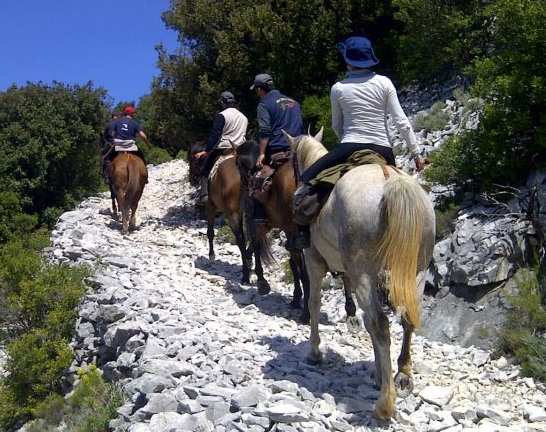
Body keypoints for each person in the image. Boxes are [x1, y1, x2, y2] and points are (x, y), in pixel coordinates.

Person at [293, 36, 425, 247]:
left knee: (304, 183)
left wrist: (345, 145)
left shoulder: (338, 88)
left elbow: (337, 125)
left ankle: (303, 234)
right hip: (384, 149)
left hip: (349, 145)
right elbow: (402, 122)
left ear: (348, 61)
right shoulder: (384, 82)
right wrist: (416, 154)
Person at [250, 73, 304, 225]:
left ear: (260, 90)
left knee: (257, 179)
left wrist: (261, 153)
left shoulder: (264, 104)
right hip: (299, 149)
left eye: (256, 90)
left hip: (278, 150)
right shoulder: (294, 102)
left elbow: (265, 130)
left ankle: (260, 217)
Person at [194, 91, 248, 204]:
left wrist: (207, 150)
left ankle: (204, 195)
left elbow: (215, 134)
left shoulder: (222, 115)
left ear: (223, 102)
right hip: (241, 150)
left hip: (224, 148)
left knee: (204, 168)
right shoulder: (244, 117)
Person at [100, 111, 119, 182]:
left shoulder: (108, 124)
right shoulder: (120, 123)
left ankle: (106, 175)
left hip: (111, 144)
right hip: (121, 144)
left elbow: (104, 136)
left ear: (112, 117)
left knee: (103, 155)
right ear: (118, 116)